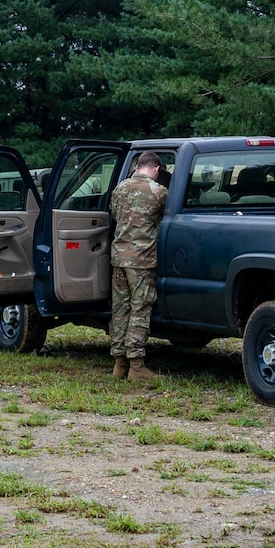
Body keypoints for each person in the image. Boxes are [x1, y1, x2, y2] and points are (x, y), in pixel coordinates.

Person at [108, 151, 168, 383]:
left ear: (137, 167)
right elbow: (163, 219)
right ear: (155, 169)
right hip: (142, 262)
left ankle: (119, 363)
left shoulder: (120, 188)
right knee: (140, 311)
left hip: (119, 258)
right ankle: (137, 365)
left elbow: (115, 214)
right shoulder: (158, 191)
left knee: (120, 310)